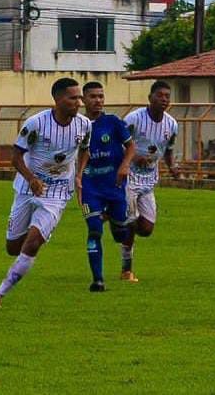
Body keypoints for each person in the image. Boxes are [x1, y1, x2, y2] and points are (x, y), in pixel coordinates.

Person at [0, 78, 92, 308]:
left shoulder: (84, 125)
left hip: (57, 192)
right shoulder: (36, 124)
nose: (78, 103)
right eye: (73, 98)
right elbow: (15, 157)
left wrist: (78, 175)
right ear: (57, 99)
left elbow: (85, 150)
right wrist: (31, 178)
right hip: (26, 188)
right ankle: (32, 236)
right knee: (13, 247)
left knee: (33, 243)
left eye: (79, 98)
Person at [76, 82, 136, 292]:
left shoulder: (113, 122)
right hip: (90, 188)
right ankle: (98, 280)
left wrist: (125, 164)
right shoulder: (77, 125)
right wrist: (76, 178)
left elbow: (131, 146)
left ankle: (114, 219)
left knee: (120, 234)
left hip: (115, 186)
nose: (98, 101)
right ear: (83, 100)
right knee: (94, 231)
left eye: (101, 96)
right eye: (93, 97)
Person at [121, 81, 180, 283]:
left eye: (167, 96)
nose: (164, 99)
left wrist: (173, 168)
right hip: (128, 177)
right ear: (150, 97)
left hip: (148, 180)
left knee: (146, 229)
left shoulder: (171, 124)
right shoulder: (133, 119)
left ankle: (119, 221)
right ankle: (126, 268)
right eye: (160, 95)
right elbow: (116, 143)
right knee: (130, 221)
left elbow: (168, 150)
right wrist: (134, 157)